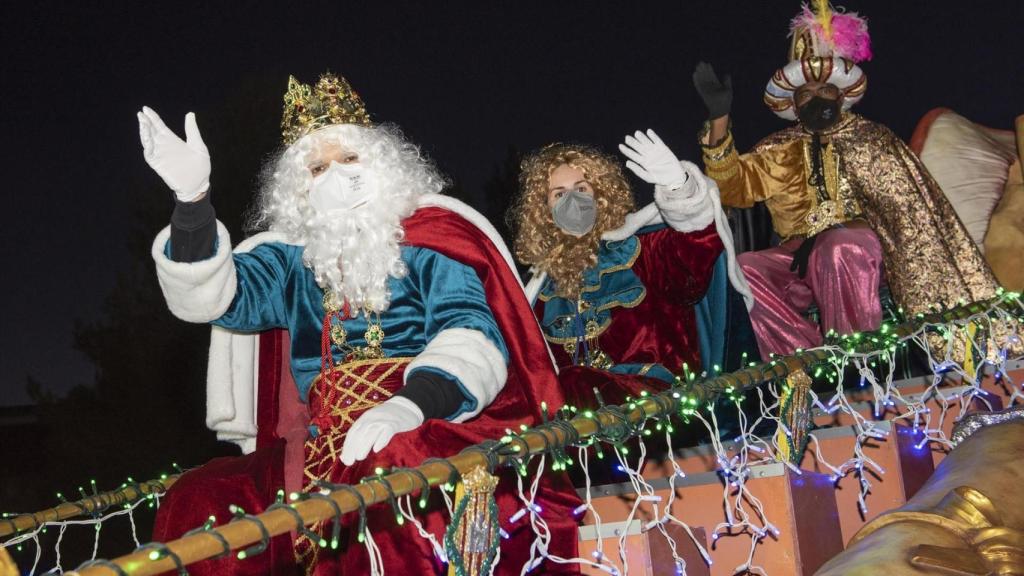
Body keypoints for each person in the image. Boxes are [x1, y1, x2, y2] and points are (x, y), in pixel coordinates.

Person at [139, 73, 580, 575]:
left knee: (388, 469)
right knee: (201, 497)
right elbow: (216, 296)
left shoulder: (432, 237)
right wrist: (193, 203)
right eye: (317, 168)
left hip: (430, 419)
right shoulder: (291, 262)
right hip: (317, 445)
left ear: (383, 164)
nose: (335, 176)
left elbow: (471, 334)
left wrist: (410, 406)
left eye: (348, 159)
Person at [693, 3, 999, 359]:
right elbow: (733, 187)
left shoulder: (872, 138)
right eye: (805, 94)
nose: (816, 98)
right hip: (795, 258)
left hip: (863, 252)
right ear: (794, 103)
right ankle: (809, 363)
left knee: (838, 247)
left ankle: (857, 360)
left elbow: (906, 210)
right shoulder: (777, 148)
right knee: (743, 270)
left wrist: (842, 230)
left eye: (825, 91)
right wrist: (719, 119)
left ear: (840, 95)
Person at [510, 133, 752, 408]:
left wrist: (679, 189)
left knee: (574, 383)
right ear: (543, 210)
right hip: (578, 419)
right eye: (559, 194)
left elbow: (696, 251)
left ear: (600, 194)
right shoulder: (538, 290)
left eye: (581, 189)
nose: (572, 201)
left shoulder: (640, 251)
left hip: (658, 402)